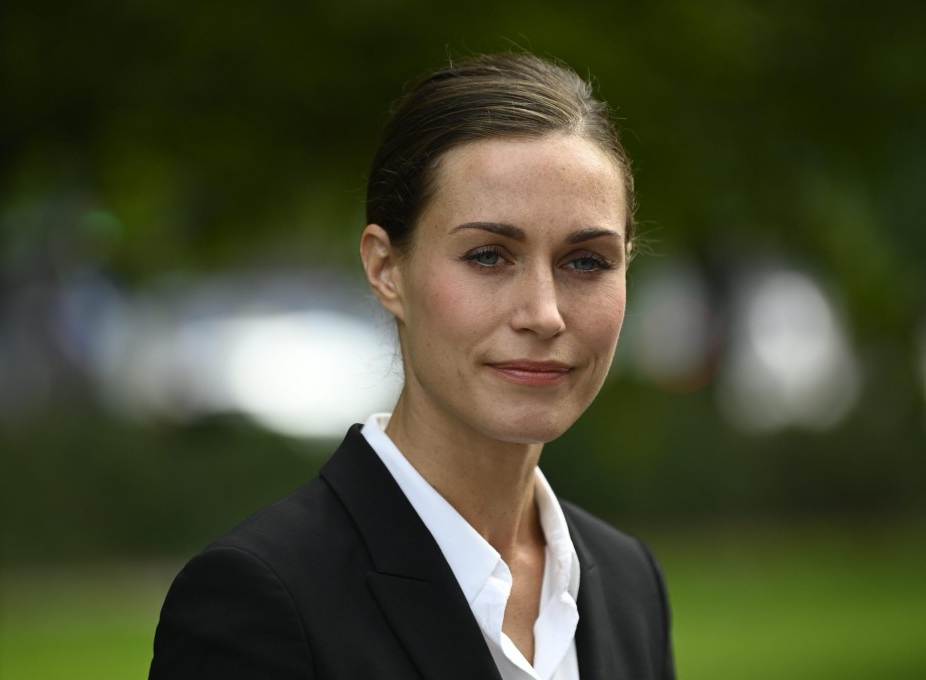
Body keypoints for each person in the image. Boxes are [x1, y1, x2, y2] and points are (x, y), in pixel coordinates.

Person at [149, 51, 677, 680]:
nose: (544, 314)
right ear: (386, 270)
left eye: (586, 261)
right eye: (488, 256)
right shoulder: (261, 600)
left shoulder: (629, 584)